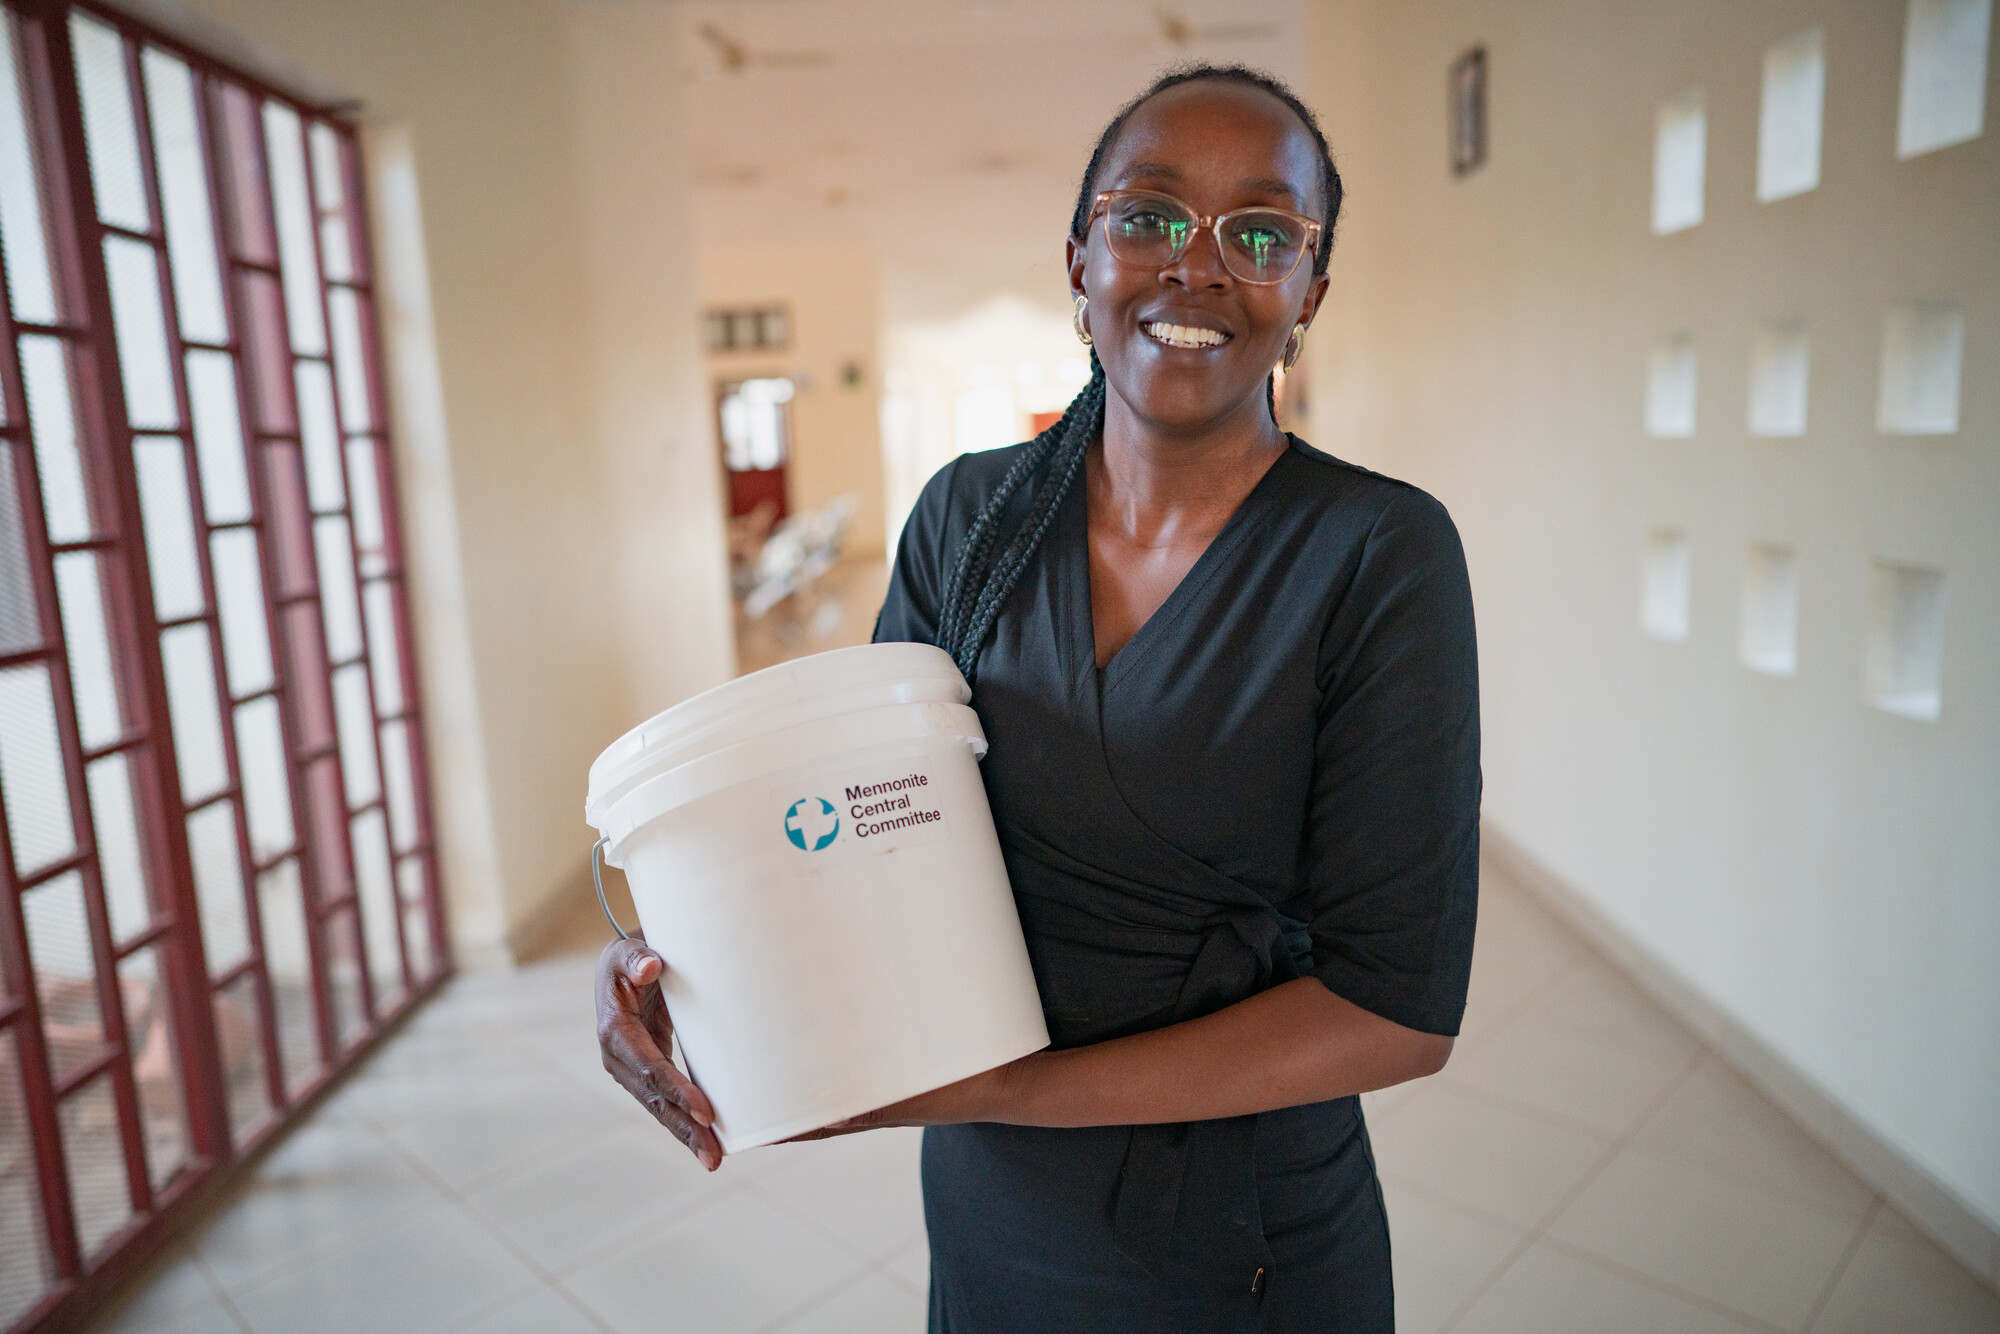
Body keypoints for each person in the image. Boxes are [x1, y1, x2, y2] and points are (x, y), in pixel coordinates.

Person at [596, 63, 1480, 1333]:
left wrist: (1014, 1087)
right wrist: (671, 962)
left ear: (1309, 294)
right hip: (992, 1207)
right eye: (1150, 216)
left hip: (1241, 1236)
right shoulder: (968, 519)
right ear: (1079, 261)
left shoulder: (1376, 553)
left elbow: (1394, 1010)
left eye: (1261, 233)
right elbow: (849, 837)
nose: (1198, 264)